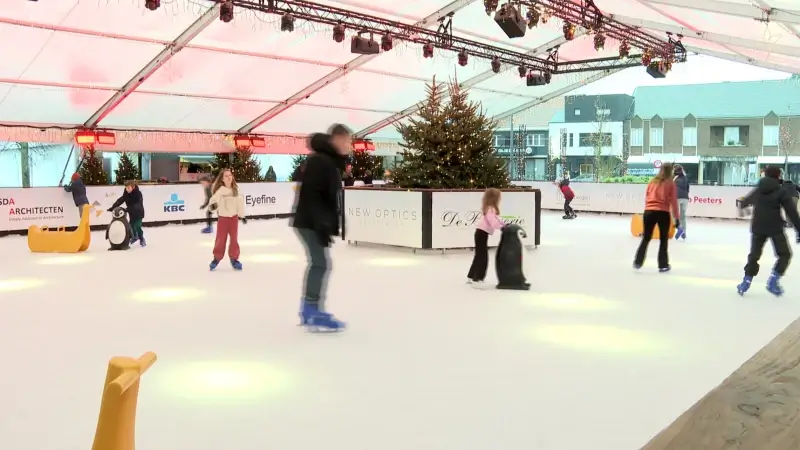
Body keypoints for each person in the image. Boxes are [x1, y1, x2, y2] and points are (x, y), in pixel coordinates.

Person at [291, 124, 351, 332]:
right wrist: (322, 224)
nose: (349, 145)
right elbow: (312, 195)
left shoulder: (327, 161)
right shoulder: (321, 161)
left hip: (312, 221)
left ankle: (310, 309)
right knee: (320, 263)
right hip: (310, 222)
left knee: (320, 263)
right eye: (347, 141)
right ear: (337, 139)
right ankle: (311, 310)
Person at [736, 166, 800, 296]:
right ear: (778, 176)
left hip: (758, 226)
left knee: (754, 255)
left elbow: (744, 202)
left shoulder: (758, 189)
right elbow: (792, 212)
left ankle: (746, 281)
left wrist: (742, 205)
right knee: (785, 254)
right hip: (775, 227)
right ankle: (773, 281)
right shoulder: (781, 191)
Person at [633, 162, 680, 272]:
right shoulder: (670, 183)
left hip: (649, 211)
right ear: (670, 171)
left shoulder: (652, 181)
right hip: (663, 212)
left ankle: (638, 262)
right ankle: (663, 265)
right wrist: (677, 218)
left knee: (646, 238)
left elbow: (647, 196)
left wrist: (648, 208)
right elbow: (674, 202)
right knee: (663, 239)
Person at [207, 169, 247, 271]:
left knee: (234, 239)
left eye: (230, 175)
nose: (229, 177)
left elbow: (240, 204)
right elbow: (213, 201)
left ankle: (234, 259)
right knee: (220, 239)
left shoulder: (236, 190)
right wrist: (213, 206)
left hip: (233, 219)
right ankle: (217, 258)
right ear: (222, 179)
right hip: (223, 219)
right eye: (226, 176)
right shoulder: (220, 191)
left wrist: (242, 216)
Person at [467, 188, 506, 284]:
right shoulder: (490, 209)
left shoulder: (490, 208)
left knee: (479, 255)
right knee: (482, 256)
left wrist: (504, 225)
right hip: (481, 233)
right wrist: (501, 227)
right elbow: (493, 222)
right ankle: (478, 277)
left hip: (481, 233)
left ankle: (471, 276)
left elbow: (497, 219)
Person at [109, 180, 146, 247]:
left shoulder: (138, 194)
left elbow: (137, 205)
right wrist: (113, 207)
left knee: (137, 226)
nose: (127, 189)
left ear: (133, 187)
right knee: (131, 226)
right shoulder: (126, 193)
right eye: (126, 188)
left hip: (139, 213)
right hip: (131, 213)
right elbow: (121, 200)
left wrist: (127, 209)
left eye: (128, 188)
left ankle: (141, 239)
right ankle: (135, 237)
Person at [673, 164, 690, 240]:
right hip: (685, 198)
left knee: (674, 215)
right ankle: (684, 233)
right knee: (683, 217)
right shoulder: (686, 178)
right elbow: (688, 189)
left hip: (676, 197)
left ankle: (679, 228)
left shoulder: (674, 178)